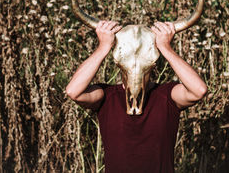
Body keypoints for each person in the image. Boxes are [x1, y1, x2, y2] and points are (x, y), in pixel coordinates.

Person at [65, 20, 207, 173]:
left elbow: (198, 90)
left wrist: (166, 48)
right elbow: (74, 91)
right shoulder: (107, 96)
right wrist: (103, 47)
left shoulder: (166, 95)